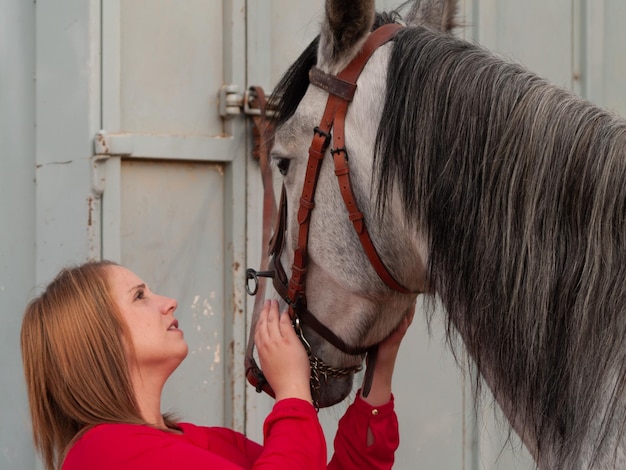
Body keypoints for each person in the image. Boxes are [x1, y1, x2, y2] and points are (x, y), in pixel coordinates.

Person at [20, 260, 414, 469]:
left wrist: (382, 364)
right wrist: (293, 392)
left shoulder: (206, 442)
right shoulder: (102, 454)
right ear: (96, 339)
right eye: (140, 296)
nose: (167, 301)